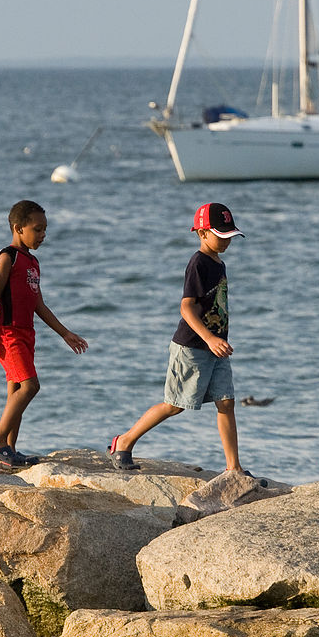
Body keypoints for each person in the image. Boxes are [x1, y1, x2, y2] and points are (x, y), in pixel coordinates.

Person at [108, 202, 243, 474]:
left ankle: (234, 468)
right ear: (202, 233)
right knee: (173, 405)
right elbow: (186, 306)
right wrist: (209, 338)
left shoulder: (219, 263)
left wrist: (216, 340)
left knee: (226, 401)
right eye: (221, 235)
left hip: (215, 348)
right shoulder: (198, 263)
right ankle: (124, 441)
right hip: (193, 347)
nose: (227, 240)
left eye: (230, 235)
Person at [0, 199, 88, 466]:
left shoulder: (32, 262)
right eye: (37, 229)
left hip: (26, 333)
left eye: (45, 230)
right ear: (18, 228)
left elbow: (39, 304)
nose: (43, 235)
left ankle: (9, 449)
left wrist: (65, 333)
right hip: (7, 332)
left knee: (16, 389)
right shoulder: (7, 257)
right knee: (30, 386)